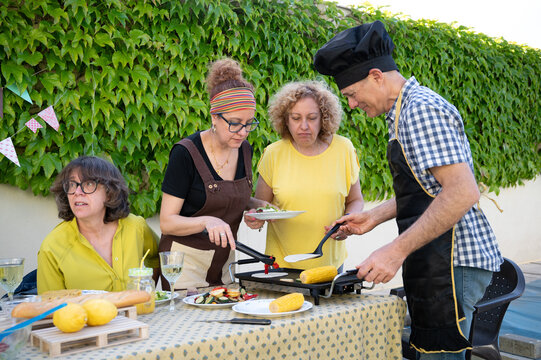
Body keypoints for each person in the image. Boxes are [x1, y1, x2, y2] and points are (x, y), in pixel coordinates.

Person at [314, 21, 503, 359]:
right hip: (437, 258)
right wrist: (372, 216)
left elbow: (462, 193)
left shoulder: (419, 110)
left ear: (376, 76)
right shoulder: (401, 112)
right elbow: (426, 190)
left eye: (352, 95)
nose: (353, 105)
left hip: (453, 262)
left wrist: (394, 251)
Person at [159, 58, 265, 289]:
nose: (243, 132)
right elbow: (167, 222)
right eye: (235, 123)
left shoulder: (244, 150)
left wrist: (259, 207)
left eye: (249, 123)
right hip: (184, 266)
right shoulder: (185, 154)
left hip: (225, 263)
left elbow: (231, 198)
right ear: (214, 117)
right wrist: (207, 221)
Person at [244, 80, 364, 270]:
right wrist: (255, 218)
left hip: (330, 266)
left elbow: (355, 200)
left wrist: (347, 223)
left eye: (312, 117)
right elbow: (261, 207)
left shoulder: (344, 149)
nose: (304, 126)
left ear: (324, 118)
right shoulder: (273, 154)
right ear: (285, 119)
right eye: (296, 118)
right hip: (281, 265)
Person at [37, 156, 159, 294]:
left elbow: (159, 256)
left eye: (88, 184)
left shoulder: (136, 227)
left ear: (109, 192)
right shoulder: (52, 247)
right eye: (72, 184)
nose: (77, 192)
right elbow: (50, 306)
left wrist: (146, 290)